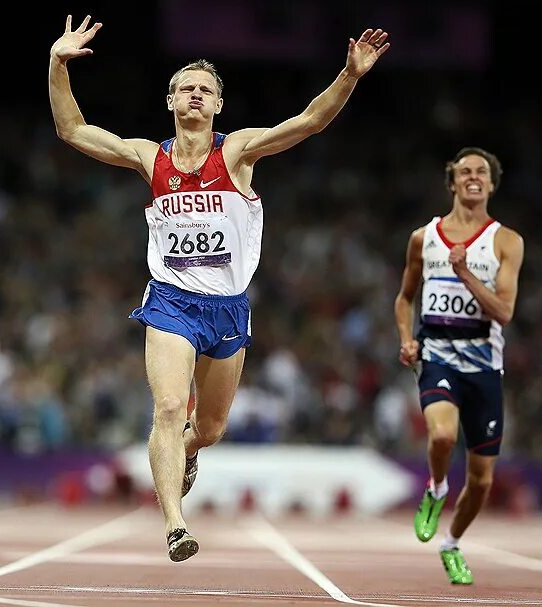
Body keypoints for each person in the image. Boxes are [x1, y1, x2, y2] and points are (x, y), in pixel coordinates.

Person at [48, 14, 389, 561]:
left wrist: (349, 75)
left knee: (207, 428)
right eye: (186, 88)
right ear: (170, 102)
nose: (196, 96)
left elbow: (308, 123)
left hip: (228, 308)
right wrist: (57, 63)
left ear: (218, 106)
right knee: (165, 406)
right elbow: (74, 131)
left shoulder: (237, 153)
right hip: (170, 301)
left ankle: (187, 451)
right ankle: (175, 525)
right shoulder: (148, 157)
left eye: (206, 90)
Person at [394, 148, 524, 584]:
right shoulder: (423, 237)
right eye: (464, 172)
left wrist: (466, 273)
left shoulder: (506, 241)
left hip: (484, 363)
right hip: (438, 354)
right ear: (452, 182)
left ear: (491, 184)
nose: (473, 177)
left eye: (481, 172)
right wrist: (406, 338)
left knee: (483, 480)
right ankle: (436, 487)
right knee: (443, 433)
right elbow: (404, 298)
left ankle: (451, 543)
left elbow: (504, 312)